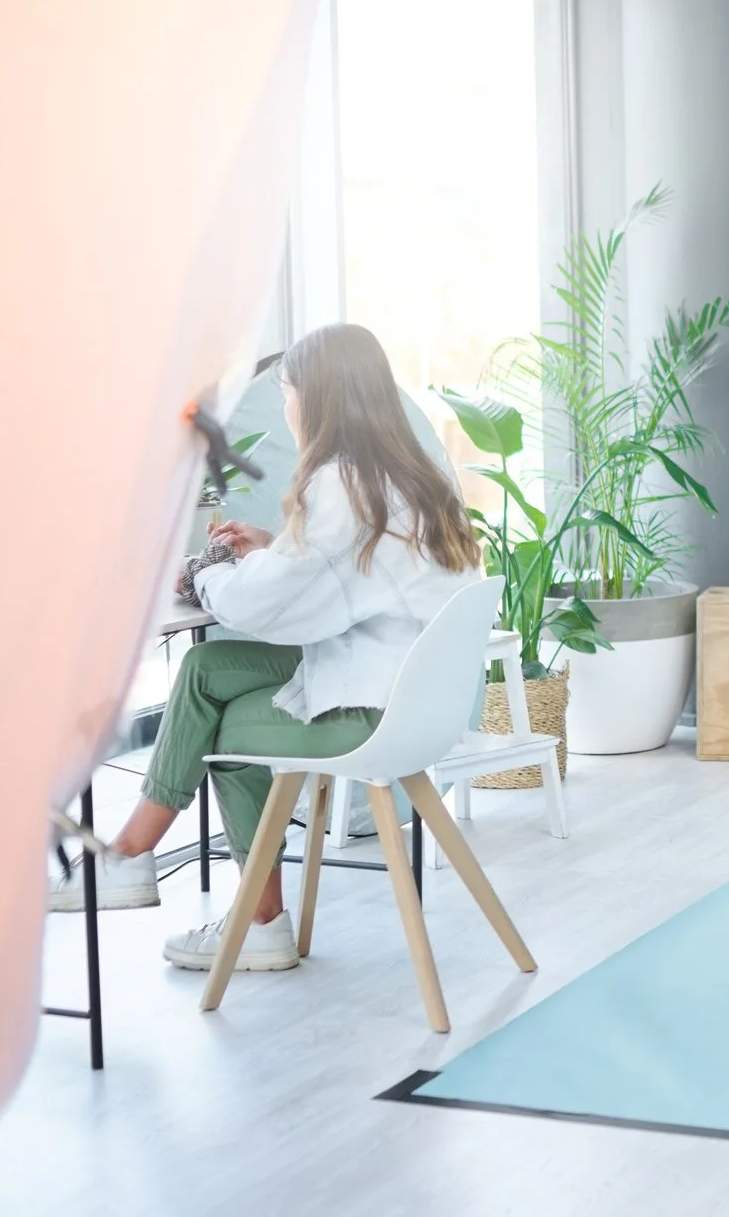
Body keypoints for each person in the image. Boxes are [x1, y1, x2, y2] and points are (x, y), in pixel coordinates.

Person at [47, 323, 483, 972]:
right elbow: (340, 576)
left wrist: (200, 572)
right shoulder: (407, 476)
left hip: (370, 711)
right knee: (206, 668)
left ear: (315, 397)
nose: (287, 407)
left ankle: (191, 889)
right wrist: (272, 544)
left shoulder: (339, 483)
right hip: (413, 695)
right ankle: (157, 871)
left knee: (218, 721)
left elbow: (265, 606)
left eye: (288, 392)